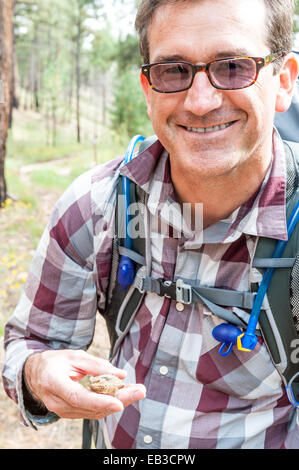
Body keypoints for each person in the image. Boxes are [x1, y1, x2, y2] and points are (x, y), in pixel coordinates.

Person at [2, 0, 299, 449]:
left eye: (234, 66)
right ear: (147, 89)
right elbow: (30, 342)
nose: (200, 102)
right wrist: (36, 374)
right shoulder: (97, 206)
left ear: (284, 81)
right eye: (174, 71)